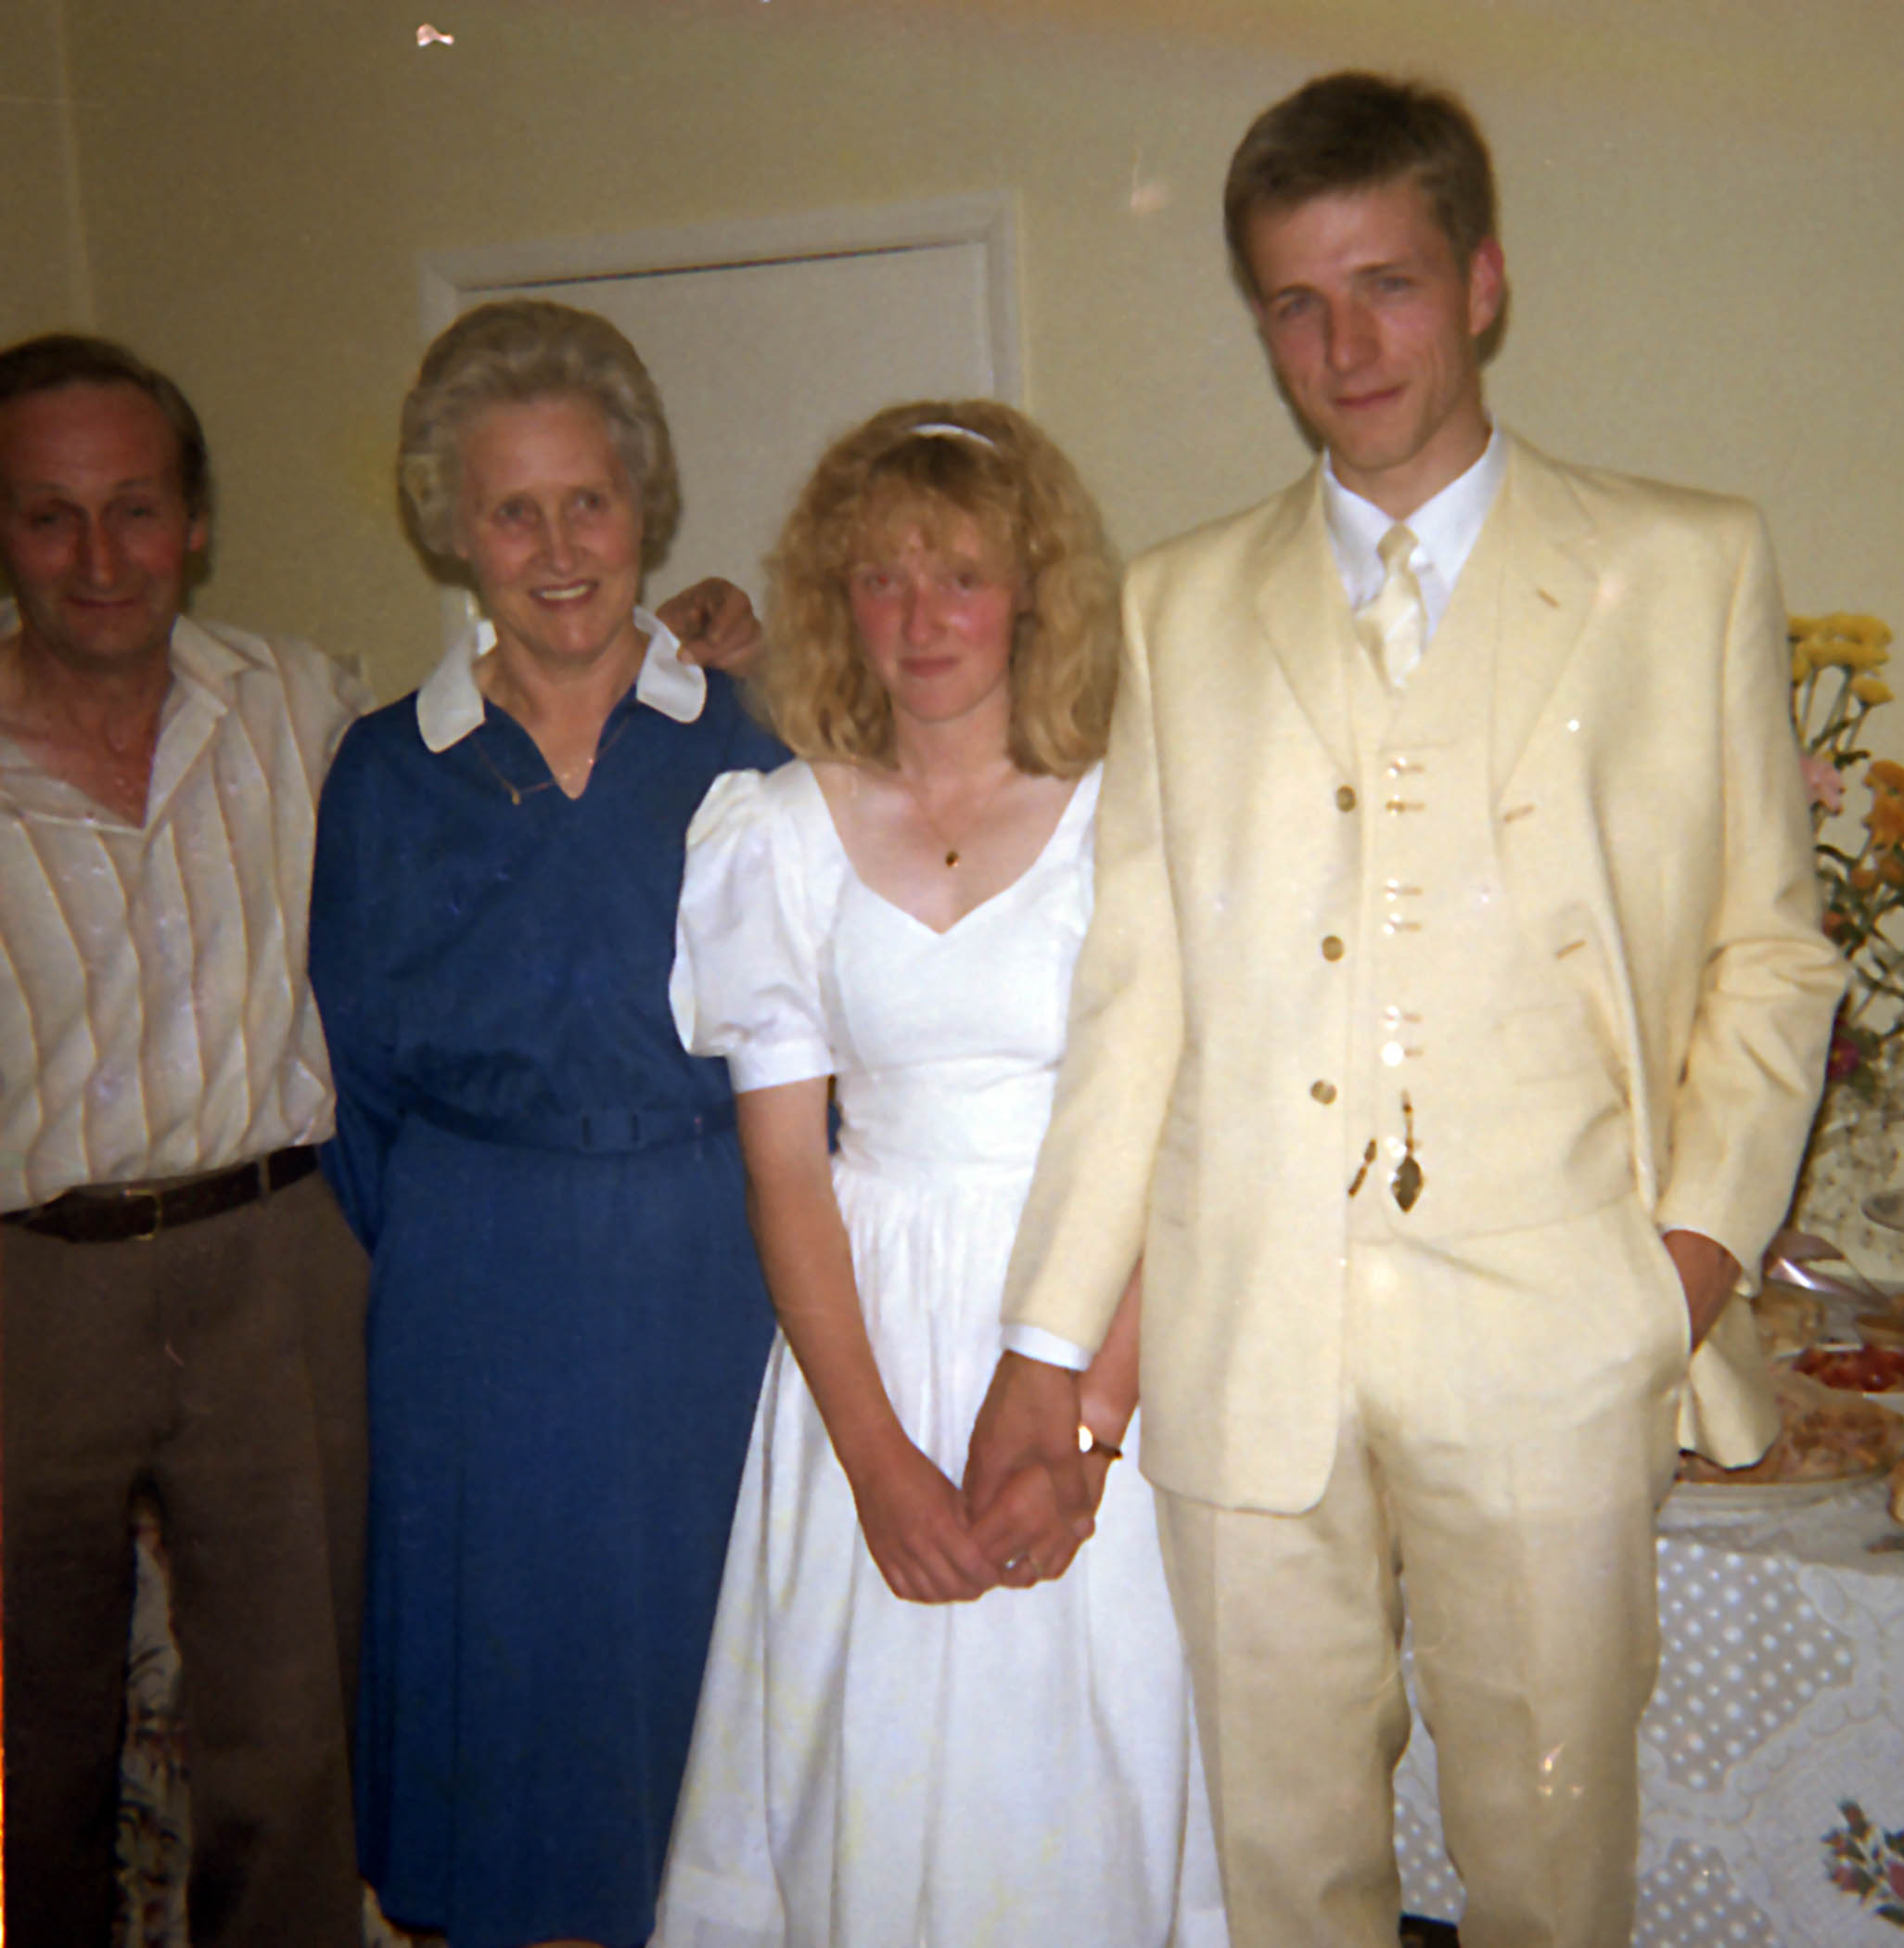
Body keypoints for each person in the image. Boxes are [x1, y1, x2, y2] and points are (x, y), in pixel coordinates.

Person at [964, 72, 1846, 1948]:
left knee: (1546, 1864)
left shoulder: (1680, 565)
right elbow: (1139, 999)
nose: (1343, 343)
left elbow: (1774, 947)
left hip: (1555, 1332)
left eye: (1388, 285)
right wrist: (1050, 1342)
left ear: (1485, 283)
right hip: (1242, 1343)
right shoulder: (1182, 603)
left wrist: (1686, 1257)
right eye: (1296, 300)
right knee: (1285, 1879)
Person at [656, 401, 1226, 1948]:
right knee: (876, 1780)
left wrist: (1096, 1432)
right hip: (872, 1349)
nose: (921, 620)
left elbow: (1182, 1150)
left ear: (1032, 593)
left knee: (1094, 1780)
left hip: (1103, 1335)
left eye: (959, 576)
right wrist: (878, 1461)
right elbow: (787, 1175)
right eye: (882, 580)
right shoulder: (773, 836)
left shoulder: (1132, 822)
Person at [306, 298, 782, 1948]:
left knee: (709, 1722)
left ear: (644, 506)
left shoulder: (746, 749)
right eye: (514, 509)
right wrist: (482, 1228)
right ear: (458, 529)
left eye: (590, 501)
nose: (560, 546)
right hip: (476, 1313)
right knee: (512, 1729)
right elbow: (355, 1084)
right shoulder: (386, 771)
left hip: (713, 1287)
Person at [0, 331, 372, 1944]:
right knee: (32, 1739)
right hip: (30, 1292)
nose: (100, 558)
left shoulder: (304, 706)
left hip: (274, 1263)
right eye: (49, 516)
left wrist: (682, 640)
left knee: (296, 1728)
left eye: (136, 510)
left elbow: (519, 727)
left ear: (196, 522)